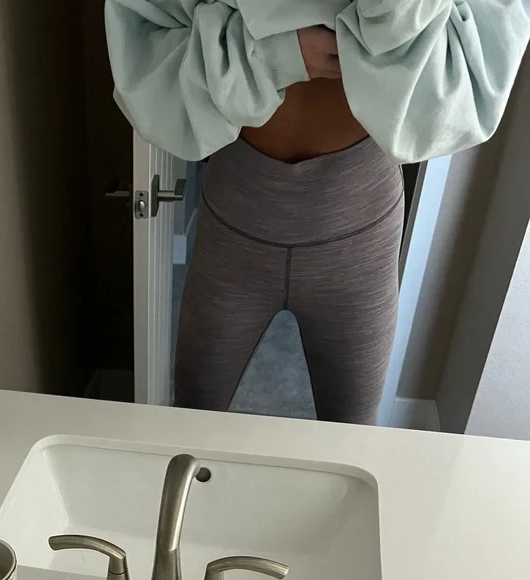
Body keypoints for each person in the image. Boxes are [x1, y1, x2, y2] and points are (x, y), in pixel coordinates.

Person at [105, 0, 530, 424]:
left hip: (358, 230)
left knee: (352, 431)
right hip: (237, 220)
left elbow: (474, 70)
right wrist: (275, 56)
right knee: (191, 418)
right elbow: (146, 43)